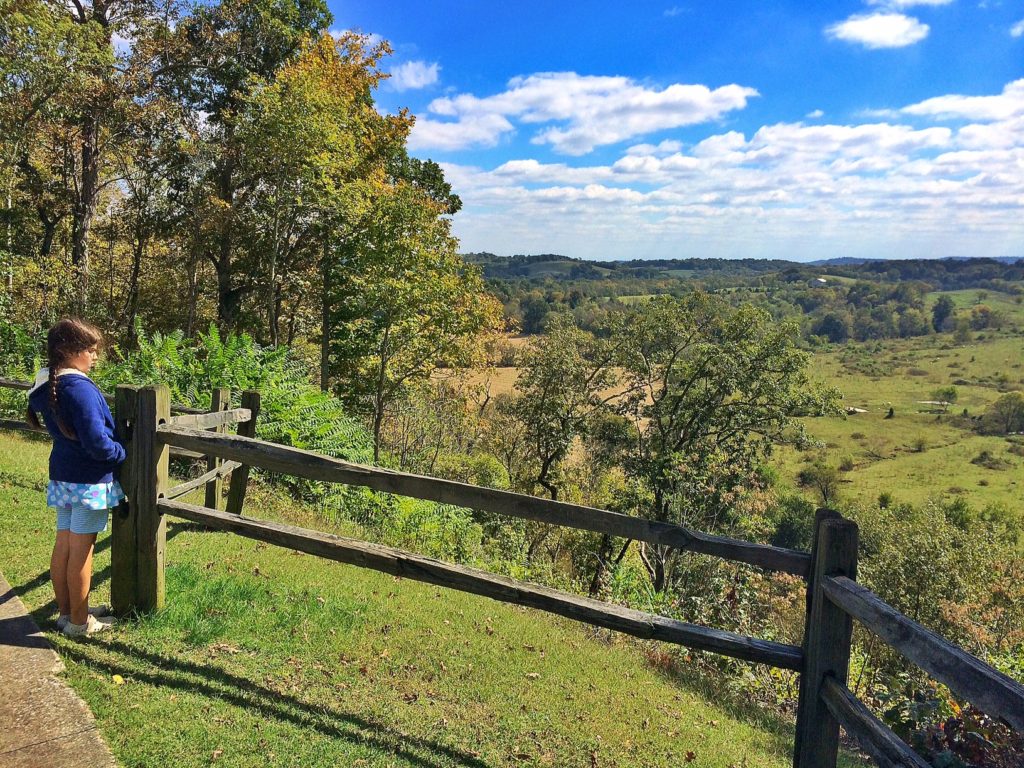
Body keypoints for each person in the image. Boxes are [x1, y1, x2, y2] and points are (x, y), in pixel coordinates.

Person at [26, 319, 125, 636]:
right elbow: (97, 443)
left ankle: (68, 611)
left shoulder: (51, 385)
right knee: (82, 552)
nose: (95, 356)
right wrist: (121, 452)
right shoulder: (79, 390)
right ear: (67, 351)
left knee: (65, 547)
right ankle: (80, 623)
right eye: (89, 350)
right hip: (88, 482)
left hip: (64, 477)